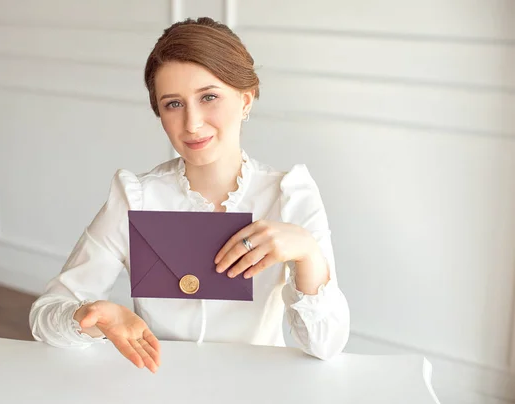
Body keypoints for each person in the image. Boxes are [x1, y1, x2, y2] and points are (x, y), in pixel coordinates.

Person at [29, 17, 350, 373]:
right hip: (160, 385)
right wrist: (89, 316)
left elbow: (327, 344)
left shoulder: (290, 197)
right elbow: (46, 314)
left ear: (246, 99)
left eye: (209, 97)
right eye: (173, 104)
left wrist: (308, 253)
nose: (192, 123)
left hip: (258, 388)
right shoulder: (135, 198)